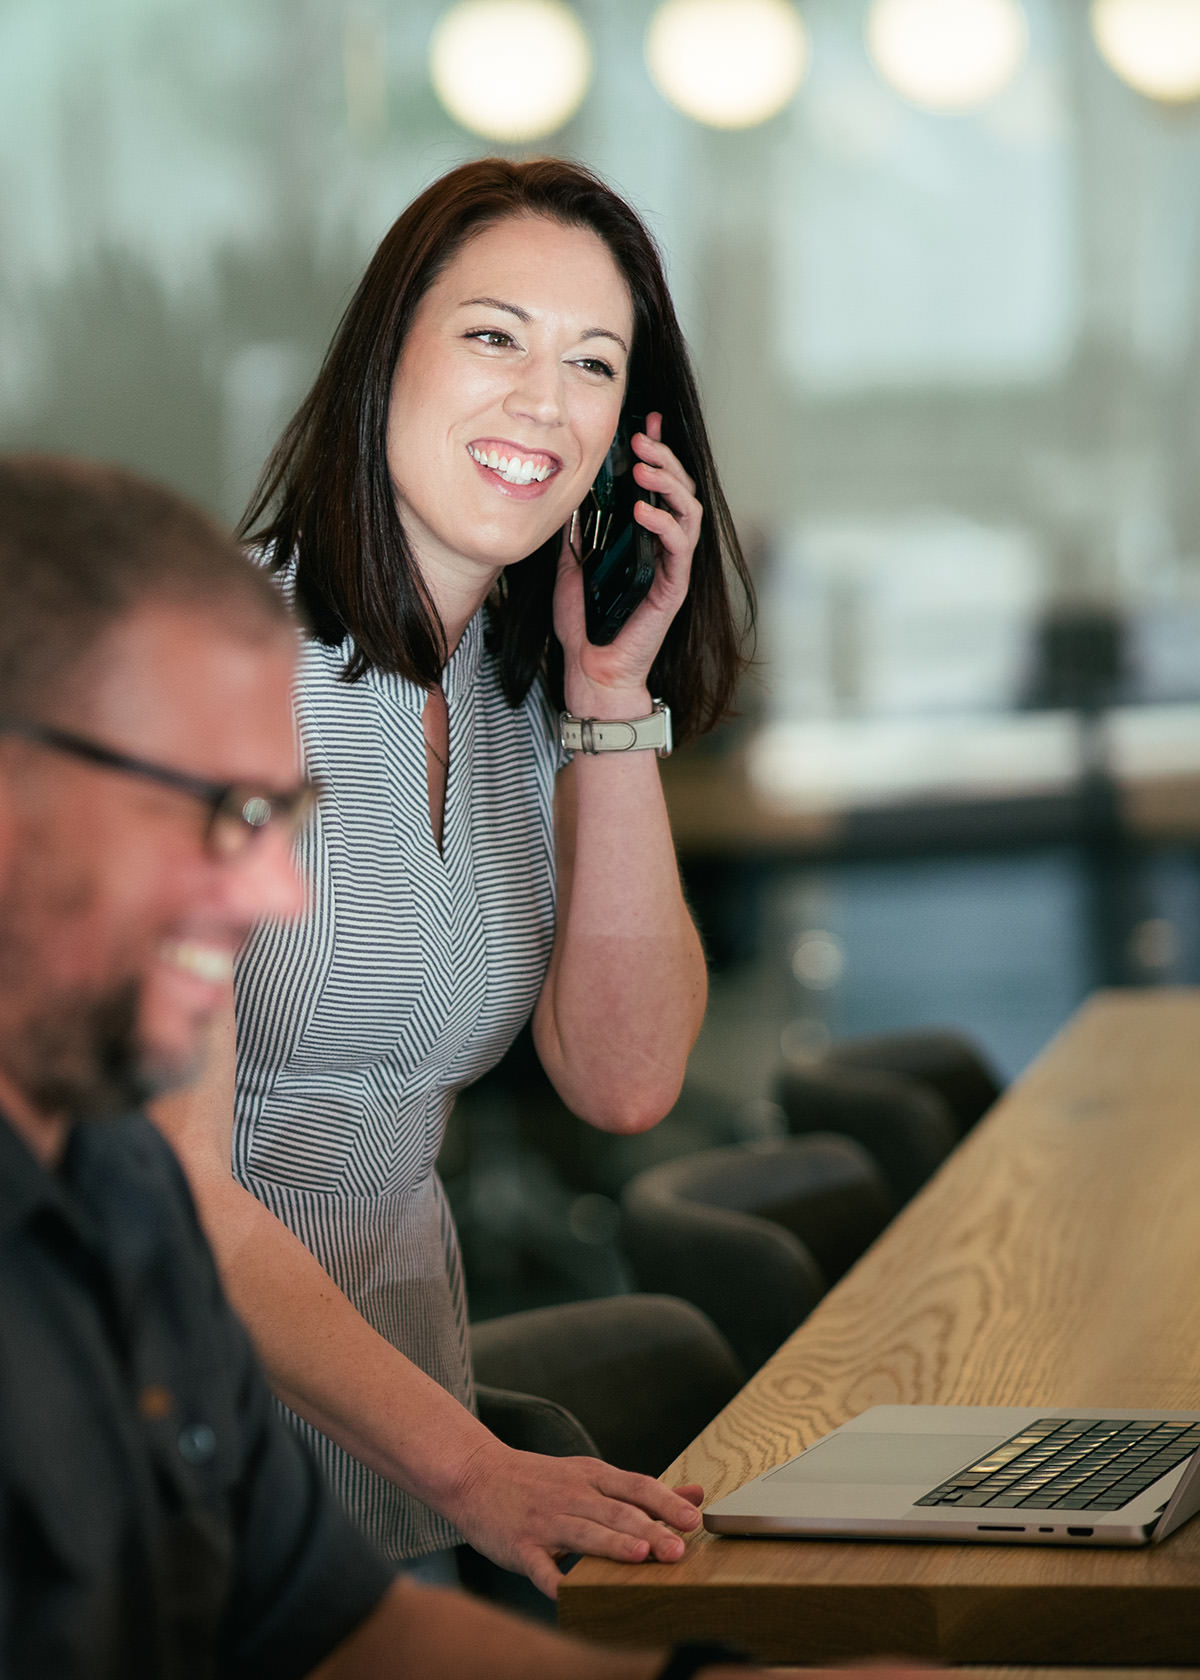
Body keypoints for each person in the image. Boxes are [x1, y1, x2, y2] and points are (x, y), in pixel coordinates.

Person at [0, 454, 930, 1680]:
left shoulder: (118, 1192)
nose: (280, 891)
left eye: (281, 821)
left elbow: (328, 1623)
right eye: (221, 812)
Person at [155, 155, 754, 1593]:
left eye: (593, 365)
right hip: (171, 1441)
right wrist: (475, 1469)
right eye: (495, 336)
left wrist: (613, 692)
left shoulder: (508, 698)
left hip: (399, 1461)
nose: (544, 402)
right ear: (386, 359)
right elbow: (166, 1186)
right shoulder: (208, 666)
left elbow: (624, 1080)